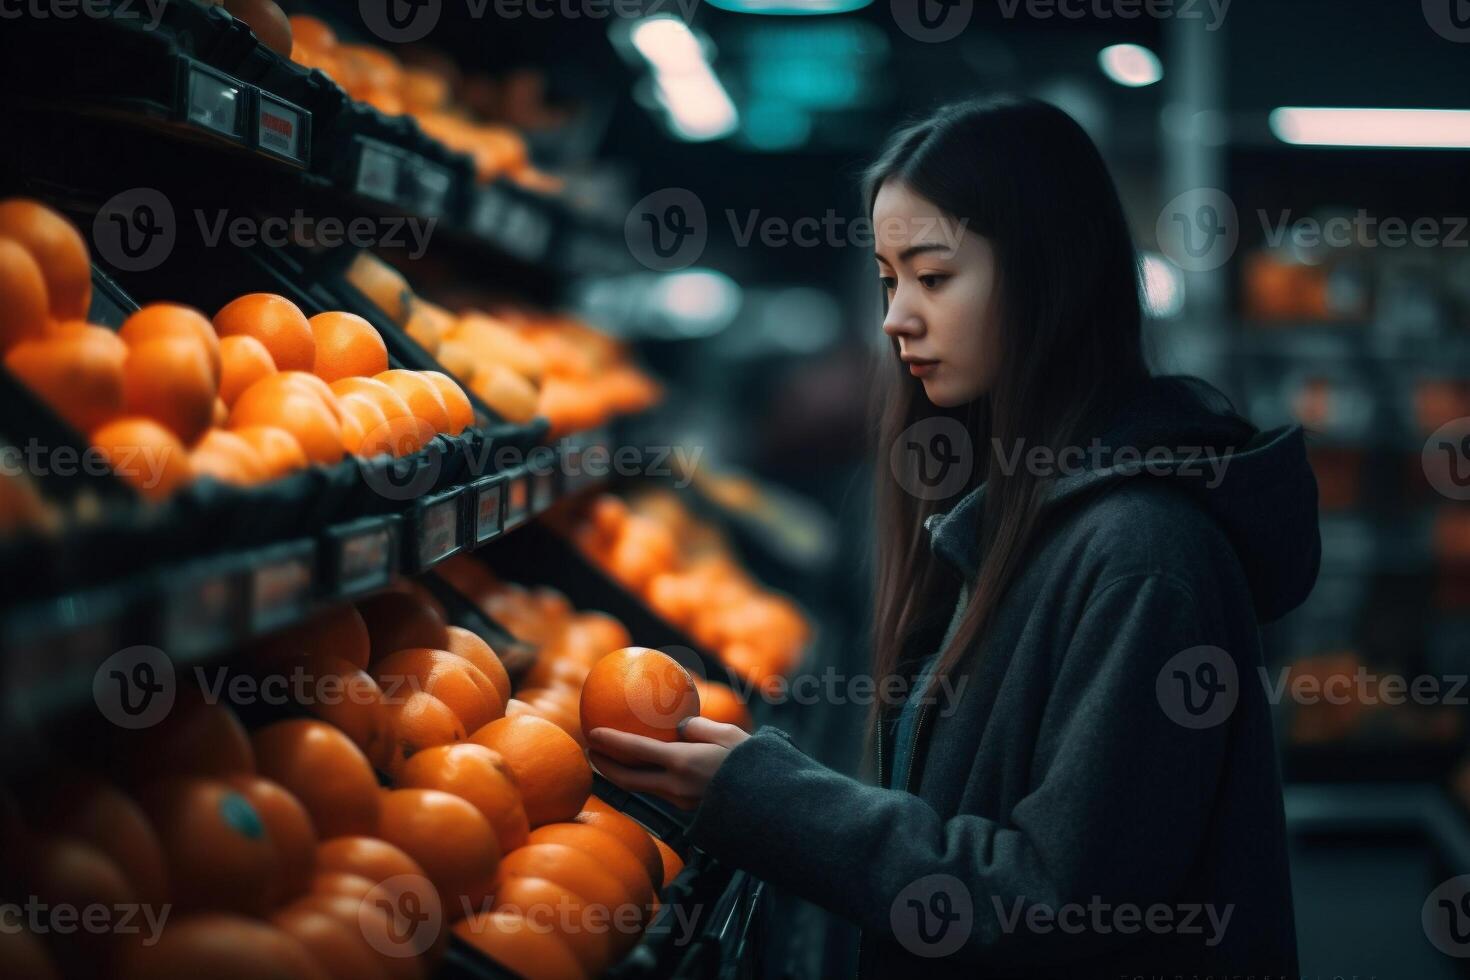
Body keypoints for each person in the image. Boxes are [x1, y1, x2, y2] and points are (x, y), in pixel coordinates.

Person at [587, 96, 1319, 979]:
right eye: (889, 280)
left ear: (1053, 275)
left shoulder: (1145, 557)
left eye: (933, 277)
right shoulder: (1005, 513)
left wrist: (771, 800)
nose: (896, 318)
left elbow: (1053, 903)